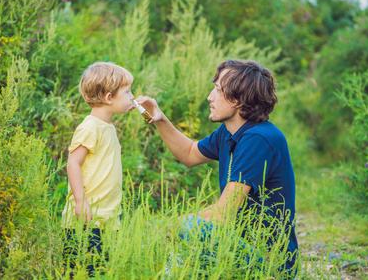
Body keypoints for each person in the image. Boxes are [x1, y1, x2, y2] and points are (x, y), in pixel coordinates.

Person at [135, 59, 298, 274]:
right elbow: (189, 153)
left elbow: (224, 213)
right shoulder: (229, 132)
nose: (210, 97)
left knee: (190, 227)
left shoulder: (259, 138)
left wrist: (173, 225)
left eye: (218, 90)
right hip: (237, 249)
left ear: (239, 100)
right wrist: (160, 119)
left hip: (272, 265)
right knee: (186, 234)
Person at [61, 62, 135, 276]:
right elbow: (73, 163)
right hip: (86, 218)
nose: (132, 97)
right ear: (109, 97)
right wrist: (80, 200)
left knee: (100, 271)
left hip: (106, 220)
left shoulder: (108, 126)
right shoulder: (90, 127)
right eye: (128, 92)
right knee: (81, 272)